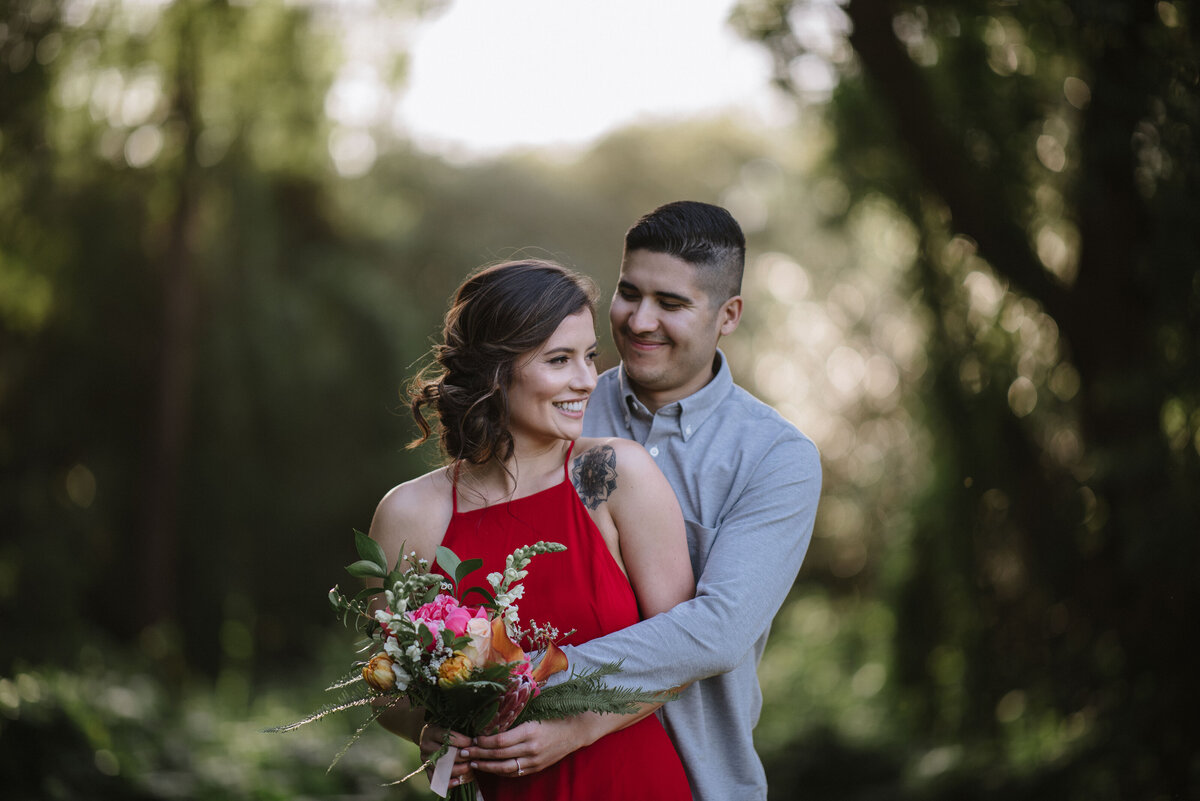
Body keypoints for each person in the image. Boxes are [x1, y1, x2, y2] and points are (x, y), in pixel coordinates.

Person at [465, 201, 822, 801]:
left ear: (728, 314)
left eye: (672, 304)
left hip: (700, 780)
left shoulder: (775, 457)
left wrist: (533, 680)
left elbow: (718, 630)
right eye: (629, 293)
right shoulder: (549, 404)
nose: (639, 320)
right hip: (530, 779)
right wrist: (444, 703)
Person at [366, 259, 696, 799]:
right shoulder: (410, 513)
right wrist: (429, 732)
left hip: (627, 781)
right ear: (495, 371)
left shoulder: (613, 475)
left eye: (590, 356)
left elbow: (682, 649)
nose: (587, 380)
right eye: (559, 360)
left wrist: (576, 728)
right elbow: (387, 687)